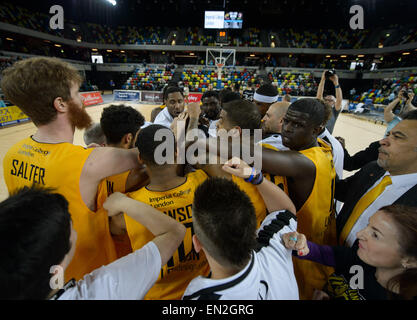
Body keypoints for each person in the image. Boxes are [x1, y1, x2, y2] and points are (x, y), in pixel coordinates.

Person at [1, 57, 141, 282]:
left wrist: (85, 154)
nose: (83, 100)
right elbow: (150, 152)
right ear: (61, 104)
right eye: (77, 94)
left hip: (46, 280)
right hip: (90, 281)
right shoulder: (90, 162)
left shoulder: (12, 154)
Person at [0, 186, 186, 300]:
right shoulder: (106, 288)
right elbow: (174, 232)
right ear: (60, 263)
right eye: (70, 228)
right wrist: (123, 202)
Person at [114, 124, 210, 300]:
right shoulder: (203, 182)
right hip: (203, 291)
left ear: (141, 159)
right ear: (175, 153)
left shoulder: (128, 207)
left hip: (157, 295)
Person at [182, 158, 299, 300]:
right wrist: (255, 177)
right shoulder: (276, 247)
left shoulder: (196, 296)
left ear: (197, 243)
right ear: (253, 227)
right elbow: (285, 210)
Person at [283, 205, 417, 300]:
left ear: (409, 260)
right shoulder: (357, 258)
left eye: (375, 235)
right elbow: (316, 252)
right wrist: (298, 243)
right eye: (367, 225)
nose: (359, 234)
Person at [336, 110, 417, 248]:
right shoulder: (372, 169)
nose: (383, 141)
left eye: (397, 137)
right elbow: (340, 190)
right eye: (388, 134)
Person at [98, 104, 151, 258]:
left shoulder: (89, 160)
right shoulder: (138, 173)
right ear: (128, 138)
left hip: (99, 244)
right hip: (128, 250)